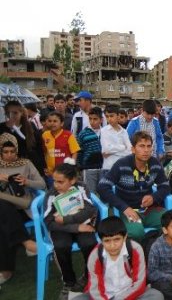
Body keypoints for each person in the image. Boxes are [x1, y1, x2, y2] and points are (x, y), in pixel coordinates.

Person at [97, 131, 170, 242]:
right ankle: (138, 252)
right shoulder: (122, 165)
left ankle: (157, 249)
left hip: (149, 210)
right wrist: (124, 207)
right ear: (133, 149)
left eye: (149, 146)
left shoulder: (155, 163)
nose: (146, 150)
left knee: (171, 222)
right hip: (128, 211)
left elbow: (165, 185)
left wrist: (154, 198)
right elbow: (102, 187)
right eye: (141, 146)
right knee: (136, 233)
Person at [43, 158, 98, 299]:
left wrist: (68, 220)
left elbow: (90, 210)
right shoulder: (51, 194)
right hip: (62, 230)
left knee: (89, 243)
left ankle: (88, 276)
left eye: (60, 182)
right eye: (54, 181)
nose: (56, 185)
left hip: (79, 225)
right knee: (61, 246)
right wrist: (76, 227)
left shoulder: (81, 187)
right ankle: (69, 281)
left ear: (72, 180)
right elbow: (49, 222)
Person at [72, 216, 164, 300]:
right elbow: (95, 288)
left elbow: (139, 283)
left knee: (156, 296)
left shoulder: (135, 249)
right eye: (107, 241)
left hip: (130, 293)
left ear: (125, 237)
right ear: (101, 241)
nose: (112, 245)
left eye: (117, 239)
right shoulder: (95, 255)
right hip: (104, 295)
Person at [0, 133, 45, 285]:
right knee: (3, 209)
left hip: (24, 209)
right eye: (5, 152)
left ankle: (6, 270)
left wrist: (27, 182)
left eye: (12, 151)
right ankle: (26, 242)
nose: (9, 155)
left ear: (17, 150)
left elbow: (42, 184)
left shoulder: (26, 163)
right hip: (6, 211)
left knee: (3, 219)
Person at [0, 100, 46, 177]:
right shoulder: (2, 128)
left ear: (21, 113)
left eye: (15, 113)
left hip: (32, 165)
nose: (12, 116)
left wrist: (44, 166)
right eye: (9, 113)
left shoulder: (30, 126)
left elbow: (39, 148)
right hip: (10, 167)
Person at [42, 112, 80, 184]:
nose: (52, 123)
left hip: (65, 173)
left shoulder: (68, 135)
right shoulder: (44, 135)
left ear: (62, 123)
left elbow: (74, 152)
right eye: (50, 121)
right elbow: (44, 152)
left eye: (55, 121)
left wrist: (71, 167)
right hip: (51, 174)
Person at [76, 107, 103, 193]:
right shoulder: (83, 134)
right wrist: (80, 167)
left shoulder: (106, 132)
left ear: (101, 120)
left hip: (104, 167)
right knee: (90, 193)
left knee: (104, 192)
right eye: (90, 119)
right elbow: (79, 152)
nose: (92, 121)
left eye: (95, 119)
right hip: (88, 168)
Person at [101, 104, 132, 174]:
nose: (109, 119)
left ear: (118, 116)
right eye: (107, 116)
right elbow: (106, 149)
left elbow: (130, 151)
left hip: (122, 168)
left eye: (111, 116)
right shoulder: (104, 131)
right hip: (108, 168)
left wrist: (112, 151)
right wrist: (123, 147)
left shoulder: (124, 131)